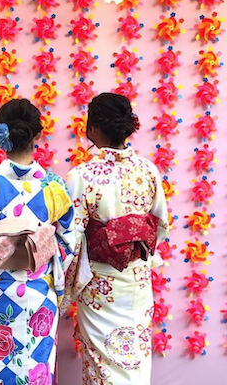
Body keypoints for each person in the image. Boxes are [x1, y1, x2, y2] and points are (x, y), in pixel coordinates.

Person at [0, 98, 77, 385]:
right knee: (36, 370)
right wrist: (40, 256)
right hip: (39, 293)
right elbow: (68, 243)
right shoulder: (54, 186)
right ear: (37, 135)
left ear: (2, 136)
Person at [66, 93, 169, 385]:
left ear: (93, 128)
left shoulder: (81, 175)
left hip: (100, 287)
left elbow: (70, 237)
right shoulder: (148, 170)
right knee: (135, 361)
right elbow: (160, 225)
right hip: (136, 282)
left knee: (101, 365)